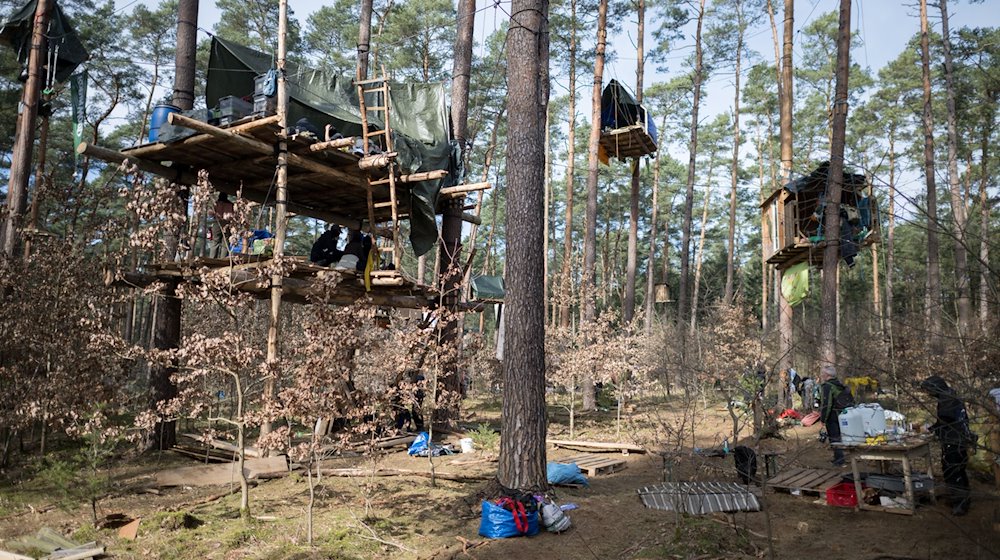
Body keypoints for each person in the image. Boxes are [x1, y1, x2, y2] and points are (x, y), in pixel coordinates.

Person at [920, 375, 973, 516]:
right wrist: (933, 428)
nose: (928, 394)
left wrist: (930, 430)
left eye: (929, 390)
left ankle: (960, 504)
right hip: (958, 439)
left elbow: (945, 421)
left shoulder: (947, 400)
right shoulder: (950, 395)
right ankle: (962, 498)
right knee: (958, 470)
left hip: (954, 441)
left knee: (953, 471)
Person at [819, 366, 854, 467]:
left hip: (833, 415)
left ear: (827, 375)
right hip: (843, 414)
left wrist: (823, 418)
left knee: (834, 438)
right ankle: (839, 458)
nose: (822, 375)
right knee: (840, 436)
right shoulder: (840, 385)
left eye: (823, 374)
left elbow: (827, 404)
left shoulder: (827, 386)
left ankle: (839, 460)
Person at [208, 193, 235, 258]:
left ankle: (212, 258)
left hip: (217, 222)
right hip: (227, 223)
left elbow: (210, 213)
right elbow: (233, 215)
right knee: (225, 243)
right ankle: (223, 259)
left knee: (215, 241)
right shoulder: (231, 204)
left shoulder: (216, 203)